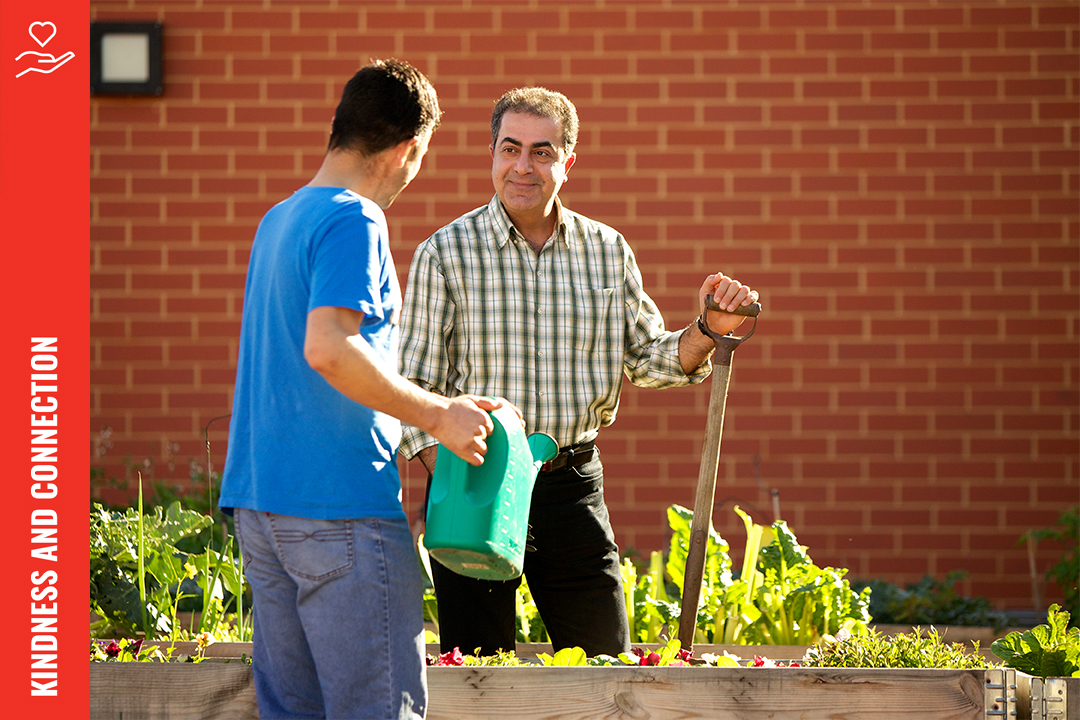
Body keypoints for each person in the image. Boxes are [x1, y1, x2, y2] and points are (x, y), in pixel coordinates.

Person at [397, 86, 759, 658]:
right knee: (474, 674)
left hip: (572, 488)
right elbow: (413, 386)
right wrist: (470, 484)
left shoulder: (607, 251)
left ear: (568, 162)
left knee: (606, 669)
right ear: (491, 153)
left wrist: (707, 332)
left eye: (542, 152)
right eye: (510, 148)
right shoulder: (445, 254)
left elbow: (648, 359)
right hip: (474, 481)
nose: (523, 166)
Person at [219, 59, 512, 720]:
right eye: (422, 157)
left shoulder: (281, 218)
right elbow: (329, 347)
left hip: (264, 506)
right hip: (339, 511)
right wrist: (439, 414)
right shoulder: (356, 220)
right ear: (407, 149)